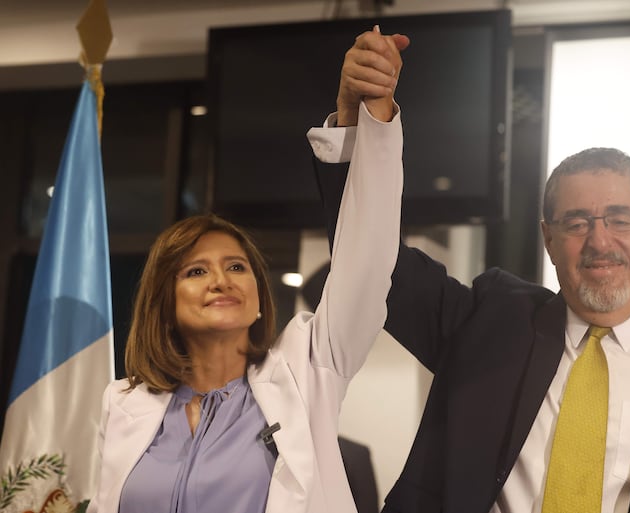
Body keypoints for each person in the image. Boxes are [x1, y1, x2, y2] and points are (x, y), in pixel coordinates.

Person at [315, 29, 630, 513]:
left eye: (619, 219)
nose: (600, 242)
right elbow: (374, 265)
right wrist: (355, 126)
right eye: (576, 223)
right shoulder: (488, 320)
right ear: (549, 239)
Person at [85, 28, 409, 513]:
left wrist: (363, 119)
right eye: (195, 272)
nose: (220, 280)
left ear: (258, 296)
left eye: (236, 266)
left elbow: (365, 257)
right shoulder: (121, 404)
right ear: (164, 302)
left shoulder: (307, 371)